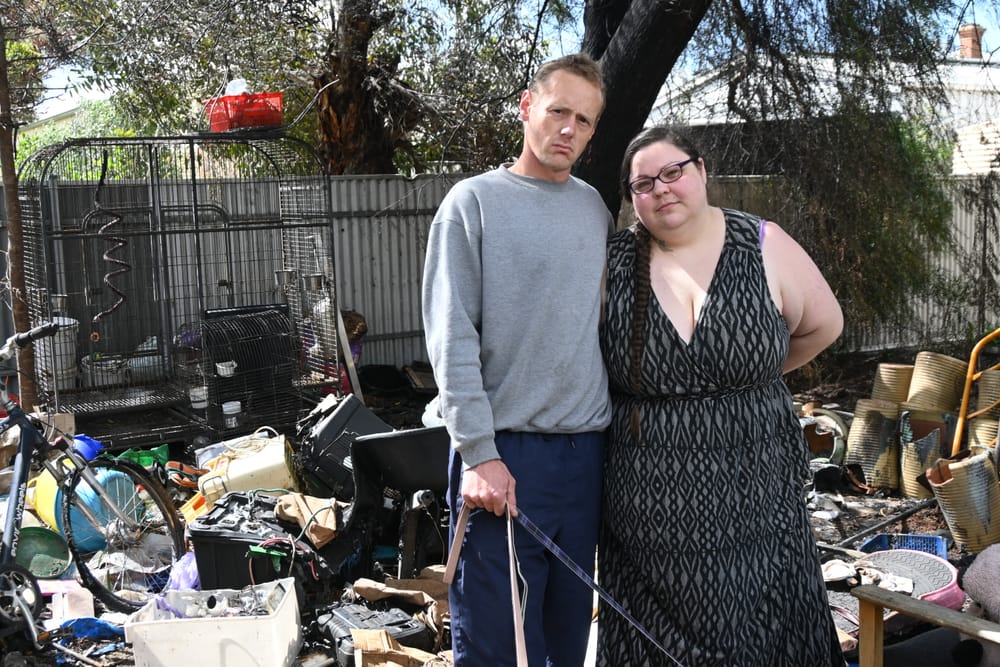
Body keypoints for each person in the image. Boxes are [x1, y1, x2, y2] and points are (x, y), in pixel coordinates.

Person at [597, 125, 845, 666]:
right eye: (643, 184)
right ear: (632, 198)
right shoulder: (612, 264)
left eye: (673, 172)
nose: (662, 189)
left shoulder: (764, 244)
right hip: (651, 503)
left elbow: (824, 326)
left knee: (768, 626)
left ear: (702, 170)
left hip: (761, 485)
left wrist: (748, 377)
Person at [421, 53, 612, 665]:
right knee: (497, 646)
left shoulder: (595, 210)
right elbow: (451, 337)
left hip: (584, 457)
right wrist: (479, 452)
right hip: (504, 458)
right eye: (559, 111)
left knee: (565, 642)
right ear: (527, 107)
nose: (569, 130)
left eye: (584, 121)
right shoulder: (472, 203)